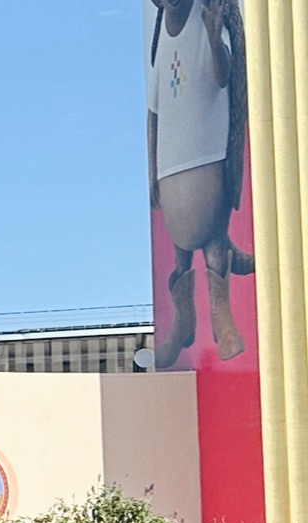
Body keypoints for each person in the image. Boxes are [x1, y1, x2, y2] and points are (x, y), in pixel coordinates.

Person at [147, 0, 249, 366]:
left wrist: (212, 32)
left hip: (207, 150)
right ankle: (183, 324)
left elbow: (224, 76)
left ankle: (223, 322)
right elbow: (154, 112)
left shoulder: (208, 12)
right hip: (171, 161)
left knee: (213, 238)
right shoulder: (159, 39)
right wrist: (152, 171)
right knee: (180, 247)